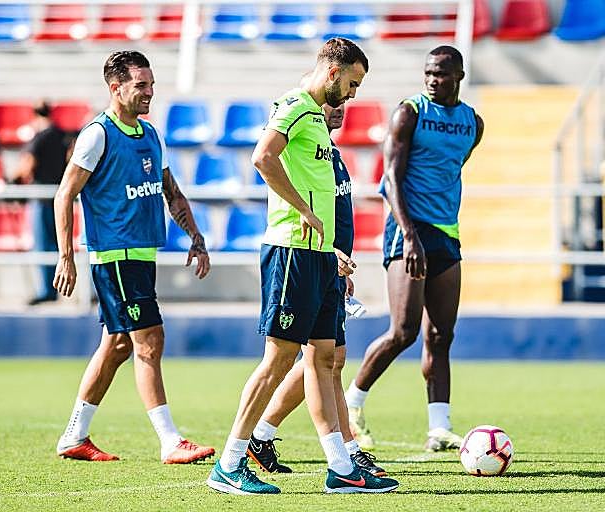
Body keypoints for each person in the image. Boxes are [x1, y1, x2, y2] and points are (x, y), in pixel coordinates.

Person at [206, 37, 398, 495]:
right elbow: (262, 157)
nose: (352, 94)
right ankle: (229, 463)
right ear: (333, 72)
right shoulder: (294, 106)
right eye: (352, 83)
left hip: (319, 255)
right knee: (278, 360)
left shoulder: (315, 117)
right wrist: (304, 211)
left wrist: (331, 248)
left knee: (326, 358)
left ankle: (341, 466)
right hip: (292, 250)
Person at [53, 51, 215, 464]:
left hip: (141, 256)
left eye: (152, 84)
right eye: (141, 85)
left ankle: (75, 435)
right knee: (150, 340)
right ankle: (170, 440)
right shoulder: (98, 135)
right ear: (116, 87)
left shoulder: (151, 135)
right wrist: (66, 256)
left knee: (118, 345)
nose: (150, 92)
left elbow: (170, 191)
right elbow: (64, 194)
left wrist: (195, 236)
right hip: (116, 256)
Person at [345, 45, 484, 452]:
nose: (432, 80)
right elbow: (390, 179)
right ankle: (352, 403)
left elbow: (449, 170)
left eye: (441, 73)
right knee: (403, 331)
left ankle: (439, 427)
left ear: (459, 76)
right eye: (428, 73)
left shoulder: (473, 123)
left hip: (447, 233)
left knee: (441, 335)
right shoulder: (409, 113)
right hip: (408, 231)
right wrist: (409, 235)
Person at [245, 102, 387, 478]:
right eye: (333, 102)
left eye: (345, 103)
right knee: (317, 360)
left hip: (329, 266)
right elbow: (294, 200)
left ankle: (262, 436)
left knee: (326, 360)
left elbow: (336, 215)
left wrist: (338, 264)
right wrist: (329, 254)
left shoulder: (333, 154)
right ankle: (344, 454)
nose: (340, 109)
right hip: (309, 258)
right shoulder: (303, 149)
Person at [15, 101, 71, 305]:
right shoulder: (62, 135)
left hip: (40, 197)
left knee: (42, 245)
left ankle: (47, 290)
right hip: (59, 198)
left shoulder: (38, 137)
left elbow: (27, 166)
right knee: (57, 245)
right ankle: (56, 288)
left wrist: (13, 181)